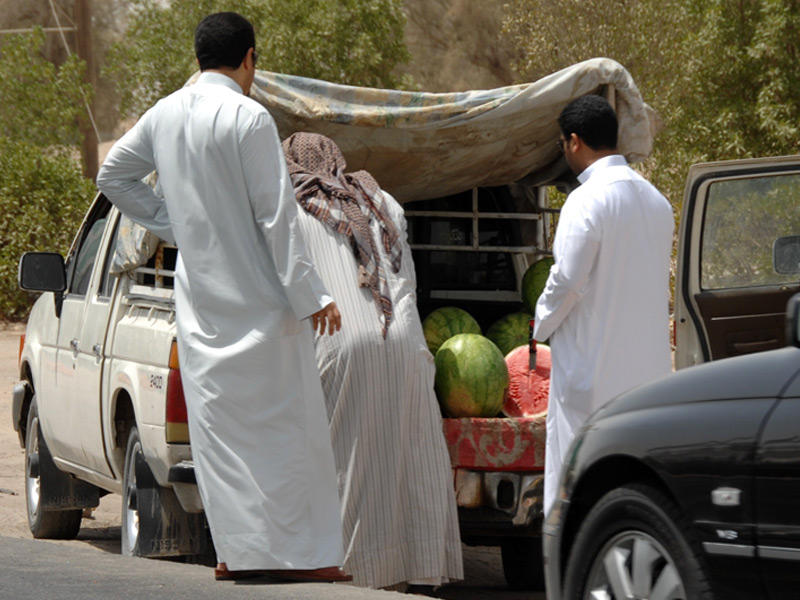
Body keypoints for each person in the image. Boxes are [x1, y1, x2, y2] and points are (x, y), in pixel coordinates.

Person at [96, 12, 350, 583]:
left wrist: (172, 224)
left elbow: (112, 175)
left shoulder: (165, 113)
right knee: (290, 434)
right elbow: (277, 217)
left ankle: (235, 554)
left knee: (221, 437)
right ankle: (307, 558)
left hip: (203, 306)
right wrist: (313, 295)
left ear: (198, 59)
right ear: (250, 59)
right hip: (263, 304)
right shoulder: (248, 116)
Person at [281, 132, 464, 590]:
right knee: (407, 462)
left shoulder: (292, 205)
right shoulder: (379, 200)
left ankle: (353, 576)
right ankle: (403, 575)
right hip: (404, 343)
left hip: (341, 344)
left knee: (351, 469)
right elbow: (406, 282)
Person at [534, 95, 674, 516]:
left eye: (563, 144)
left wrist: (538, 325)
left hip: (591, 377)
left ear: (574, 142)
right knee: (633, 483)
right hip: (647, 379)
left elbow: (567, 282)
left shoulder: (586, 201)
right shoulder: (657, 201)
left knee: (580, 483)